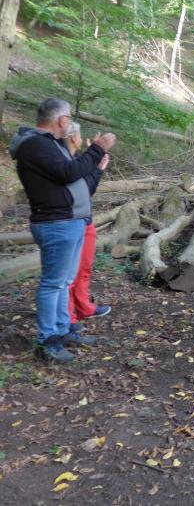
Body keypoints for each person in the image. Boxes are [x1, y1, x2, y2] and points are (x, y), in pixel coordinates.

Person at [9, 98, 115, 362]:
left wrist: (96, 167)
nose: (71, 122)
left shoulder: (53, 145)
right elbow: (68, 172)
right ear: (62, 120)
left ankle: (63, 329)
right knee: (53, 283)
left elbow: (79, 183)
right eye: (69, 118)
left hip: (71, 222)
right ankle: (48, 341)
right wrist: (97, 149)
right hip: (56, 224)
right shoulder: (34, 144)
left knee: (65, 282)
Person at [63, 122, 112, 333]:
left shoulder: (76, 161)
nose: (82, 139)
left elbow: (86, 189)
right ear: (73, 138)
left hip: (85, 220)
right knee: (68, 274)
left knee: (83, 268)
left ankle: (84, 307)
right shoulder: (62, 163)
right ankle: (68, 317)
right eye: (80, 135)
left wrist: (98, 169)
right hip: (70, 222)